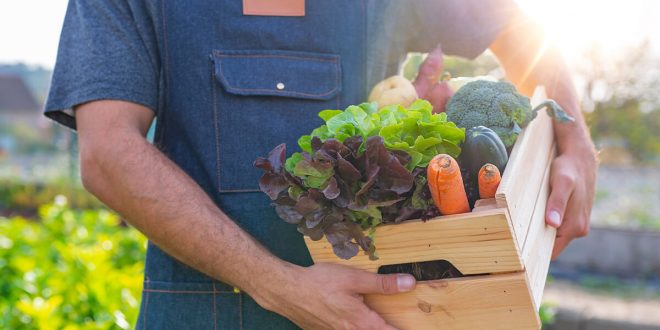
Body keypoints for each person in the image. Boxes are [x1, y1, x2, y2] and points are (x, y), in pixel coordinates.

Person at [45, 1, 596, 329]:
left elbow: (522, 28)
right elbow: (108, 152)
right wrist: (277, 284)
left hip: (381, 311)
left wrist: (575, 139)